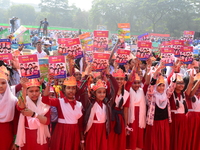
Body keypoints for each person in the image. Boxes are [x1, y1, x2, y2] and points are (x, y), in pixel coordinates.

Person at [42, 76, 84, 150]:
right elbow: (45, 100)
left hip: (74, 133)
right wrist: (48, 84)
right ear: (64, 89)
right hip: (61, 132)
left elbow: (80, 124)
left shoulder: (79, 104)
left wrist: (82, 140)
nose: (71, 90)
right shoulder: (59, 101)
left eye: (73, 88)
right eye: (68, 88)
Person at [144, 62, 176, 150]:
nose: (161, 88)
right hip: (154, 123)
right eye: (159, 86)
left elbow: (172, 86)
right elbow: (151, 86)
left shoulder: (166, 95)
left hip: (164, 122)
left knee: (163, 142)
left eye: (163, 85)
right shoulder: (151, 96)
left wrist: (175, 71)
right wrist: (155, 74)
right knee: (154, 143)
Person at [15, 78, 50, 150]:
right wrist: (24, 88)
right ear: (27, 92)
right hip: (27, 136)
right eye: (31, 91)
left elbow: (47, 121)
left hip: (42, 136)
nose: (34, 93)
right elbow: (21, 107)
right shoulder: (24, 101)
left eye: (37, 91)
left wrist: (33, 114)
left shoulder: (44, 102)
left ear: (40, 91)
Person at [108, 68, 130, 150]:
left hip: (120, 119)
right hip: (110, 117)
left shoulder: (127, 94)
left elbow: (126, 110)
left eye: (121, 79)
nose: (119, 81)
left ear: (124, 81)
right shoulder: (109, 91)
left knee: (119, 141)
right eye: (117, 79)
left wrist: (125, 125)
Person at [0, 66, 19, 150]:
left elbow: (16, 121)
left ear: (7, 84)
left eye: (3, 83)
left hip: (7, 133)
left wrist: (16, 141)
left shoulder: (13, 100)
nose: (0, 86)